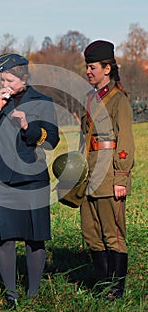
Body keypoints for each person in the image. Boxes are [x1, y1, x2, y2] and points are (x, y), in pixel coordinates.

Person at [0, 53, 60, 308]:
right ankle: (11, 296)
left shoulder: (43, 102)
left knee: (35, 237)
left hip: (32, 180)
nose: (6, 85)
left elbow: (52, 141)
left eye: (11, 80)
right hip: (1, 180)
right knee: (5, 238)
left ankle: (33, 295)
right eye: (3, 80)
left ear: (24, 78)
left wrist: (28, 126)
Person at [79, 40, 135, 299]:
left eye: (92, 67)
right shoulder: (89, 98)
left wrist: (121, 176)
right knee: (91, 233)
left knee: (112, 234)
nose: (88, 71)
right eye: (87, 67)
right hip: (89, 176)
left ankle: (116, 289)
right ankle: (102, 284)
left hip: (110, 177)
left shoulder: (118, 100)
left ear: (107, 68)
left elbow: (125, 142)